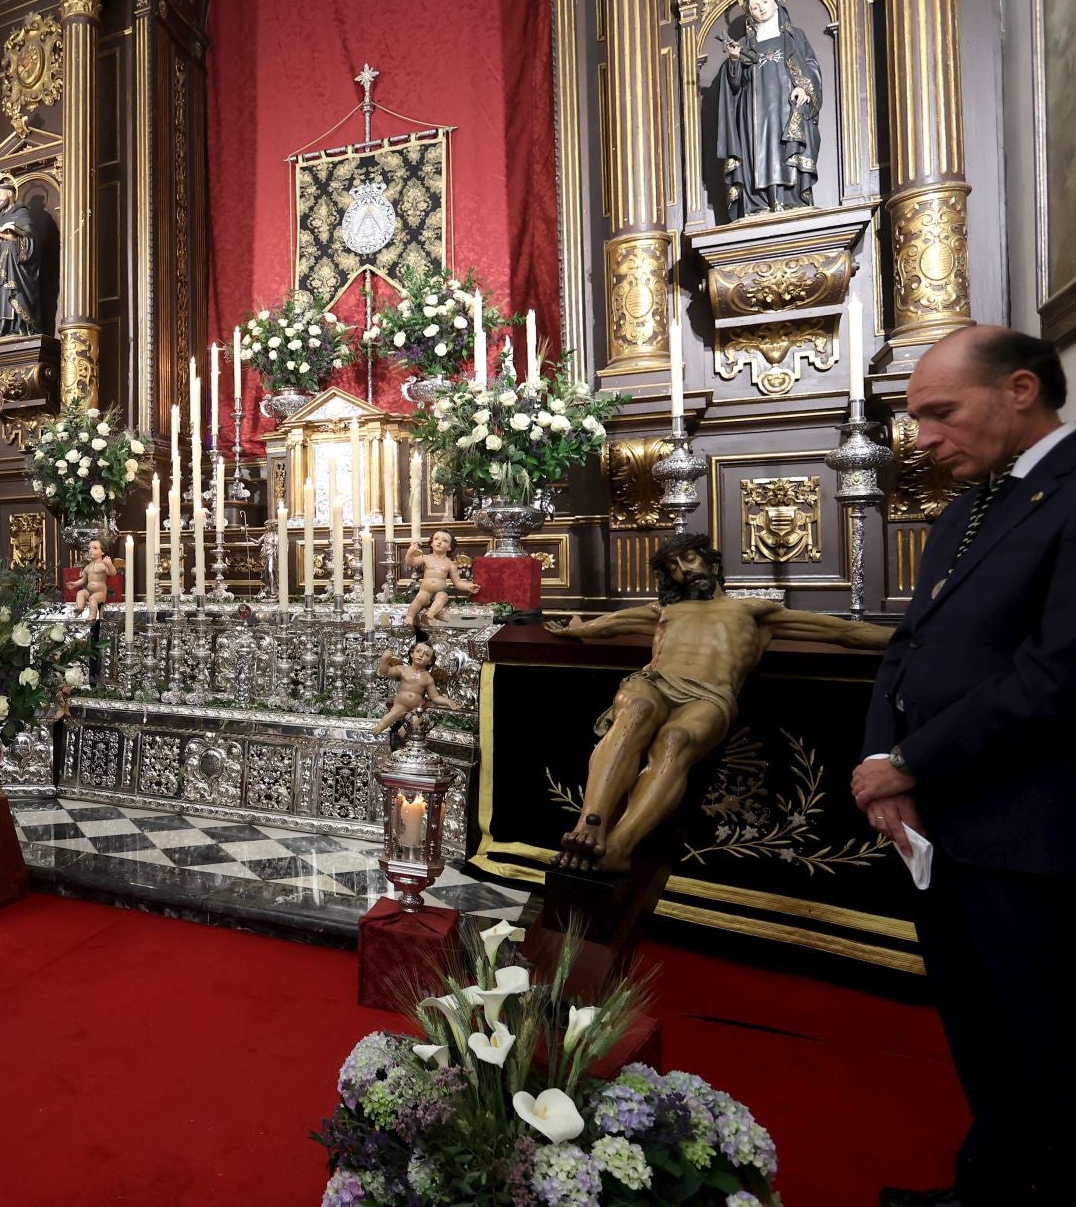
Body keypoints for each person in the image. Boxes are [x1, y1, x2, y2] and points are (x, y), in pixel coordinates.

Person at [850, 325, 1076, 1207]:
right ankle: (986, 1186)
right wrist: (879, 755)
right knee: (983, 1034)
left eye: (940, 412)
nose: (923, 437)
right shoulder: (970, 506)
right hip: (945, 826)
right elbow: (911, 645)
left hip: (1029, 829)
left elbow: (1056, 674)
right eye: (915, 417)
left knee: (1048, 1040)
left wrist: (908, 759)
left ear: (1020, 389)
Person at [546, 535, 890, 873]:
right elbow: (610, 624)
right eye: (674, 566)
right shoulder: (667, 609)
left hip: (709, 695)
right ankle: (590, 822)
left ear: (711, 561)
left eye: (689, 559)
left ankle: (619, 847)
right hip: (655, 683)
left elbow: (844, 632)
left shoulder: (753, 610)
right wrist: (578, 628)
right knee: (635, 710)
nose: (684, 570)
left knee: (675, 741)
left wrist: (916, 635)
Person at [714, 0, 822, 219]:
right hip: (754, 114)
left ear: (775, 3)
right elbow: (734, 83)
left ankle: (791, 199)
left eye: (763, 2)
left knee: (785, 150)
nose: (760, 8)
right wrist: (733, 59)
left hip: (786, 109)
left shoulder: (793, 36)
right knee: (757, 153)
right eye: (754, 6)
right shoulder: (744, 43)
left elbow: (810, 68)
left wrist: (804, 88)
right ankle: (758, 203)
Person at [0, 171, 41, 336]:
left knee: (14, 293)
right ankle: (3, 327)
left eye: (1, 195)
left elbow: (32, 240)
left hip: (16, 269)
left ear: (10, 193)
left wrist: (14, 238)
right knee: (2, 295)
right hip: (1, 268)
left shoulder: (22, 214)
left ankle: (20, 327)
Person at [373, 642, 462, 734]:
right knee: (395, 712)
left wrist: (448, 701)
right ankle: (378, 728)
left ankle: (404, 736)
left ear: (430, 661)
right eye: (418, 651)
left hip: (417, 708)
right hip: (400, 704)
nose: (421, 655)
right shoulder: (402, 669)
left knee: (414, 721)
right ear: (411, 653)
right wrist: (384, 659)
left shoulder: (428, 678)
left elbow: (435, 697)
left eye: (426, 654)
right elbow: (385, 671)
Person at [403, 528, 478, 626]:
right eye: (436, 539)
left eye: (444, 540)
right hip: (425, 591)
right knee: (420, 597)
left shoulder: (450, 564)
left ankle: (430, 613)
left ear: (449, 547)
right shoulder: (426, 558)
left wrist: (468, 587)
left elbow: (458, 582)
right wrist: (409, 553)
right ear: (431, 543)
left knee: (442, 596)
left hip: (440, 591)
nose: (439, 542)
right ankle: (410, 616)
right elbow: (410, 562)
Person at [67, 537, 118, 619]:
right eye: (89, 548)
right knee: (80, 593)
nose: (91, 550)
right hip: (89, 591)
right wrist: (75, 584)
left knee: (92, 598)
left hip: (100, 593)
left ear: (102, 552)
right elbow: (83, 580)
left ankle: (92, 615)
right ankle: (80, 608)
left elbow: (112, 573)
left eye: (95, 548)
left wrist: (110, 565)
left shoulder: (103, 565)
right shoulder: (87, 567)